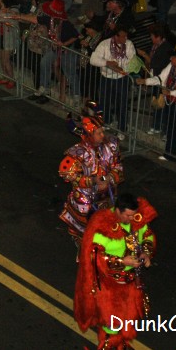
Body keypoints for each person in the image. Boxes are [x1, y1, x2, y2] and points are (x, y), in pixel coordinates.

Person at [74, 193, 156, 350]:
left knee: (127, 317)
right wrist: (122, 262)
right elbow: (94, 256)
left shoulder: (135, 219)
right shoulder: (103, 226)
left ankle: (120, 344)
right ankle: (107, 345)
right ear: (118, 210)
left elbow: (147, 235)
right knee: (112, 321)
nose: (132, 219)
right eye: (128, 215)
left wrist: (146, 252)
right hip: (109, 284)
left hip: (131, 282)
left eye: (133, 215)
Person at [59, 103, 123, 250]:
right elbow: (68, 175)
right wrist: (92, 180)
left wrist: (109, 178)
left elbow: (118, 166)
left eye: (102, 131)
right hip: (85, 199)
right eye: (98, 133)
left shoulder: (111, 146)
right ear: (89, 135)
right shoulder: (78, 153)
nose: (103, 135)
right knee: (84, 233)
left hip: (107, 196)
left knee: (108, 227)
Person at [137, 45, 176, 172]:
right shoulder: (171, 66)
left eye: (173, 57)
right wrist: (145, 81)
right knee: (170, 128)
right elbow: (160, 78)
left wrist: (171, 93)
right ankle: (170, 154)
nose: (170, 59)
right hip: (170, 102)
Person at [14, 0, 80, 105]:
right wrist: (20, 16)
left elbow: (75, 36)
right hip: (55, 48)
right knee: (44, 62)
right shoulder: (50, 19)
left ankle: (77, 95)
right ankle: (44, 87)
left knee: (70, 73)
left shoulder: (66, 24)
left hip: (67, 50)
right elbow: (35, 19)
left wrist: (64, 44)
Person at [90, 26, 136, 135]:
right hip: (106, 78)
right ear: (116, 36)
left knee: (122, 104)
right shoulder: (104, 44)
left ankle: (122, 129)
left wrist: (120, 68)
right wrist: (107, 63)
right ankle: (107, 121)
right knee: (104, 102)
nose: (125, 38)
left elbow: (132, 61)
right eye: (123, 36)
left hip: (122, 79)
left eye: (126, 36)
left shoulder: (129, 44)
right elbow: (93, 59)